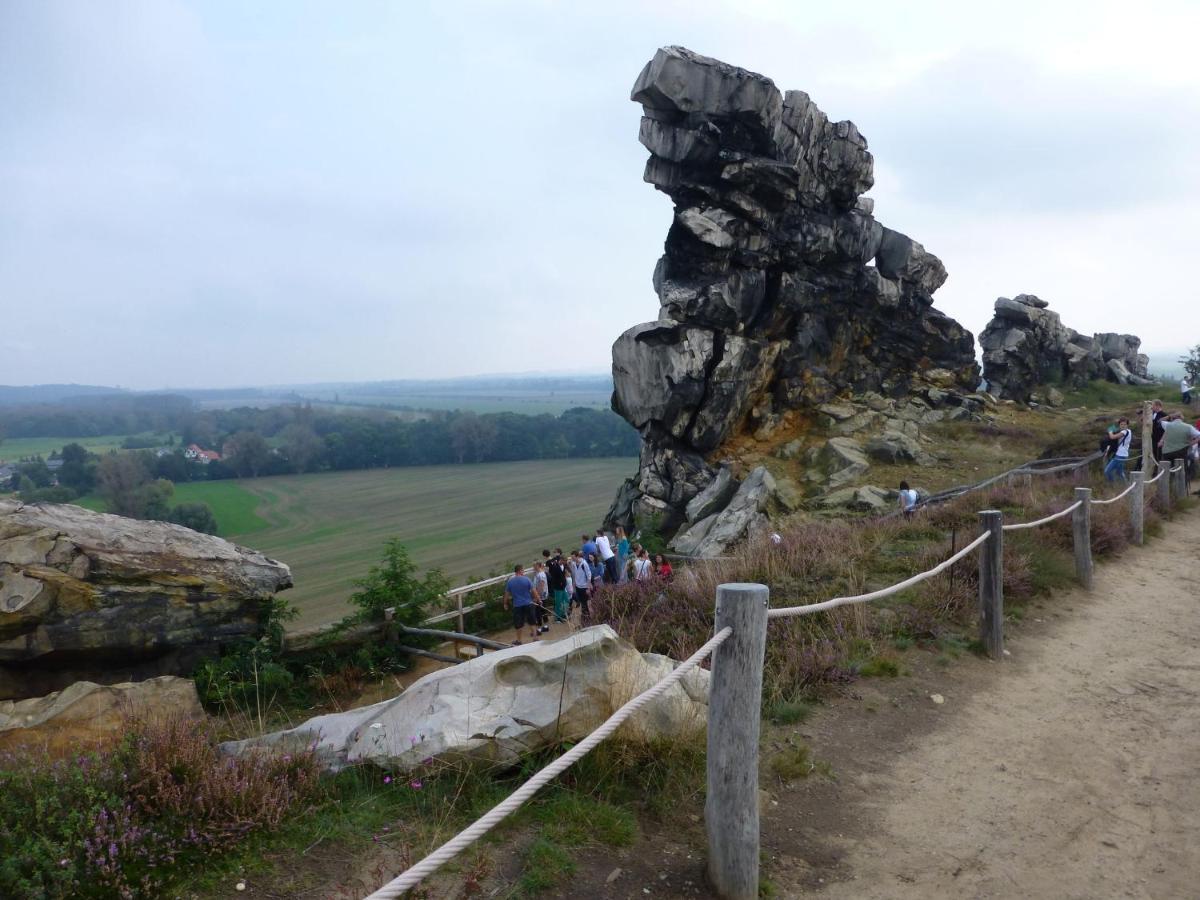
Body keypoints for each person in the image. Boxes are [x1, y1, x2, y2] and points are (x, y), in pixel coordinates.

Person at [1159, 412, 1200, 488]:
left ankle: (1167, 487)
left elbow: (1160, 420)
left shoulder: (1167, 425)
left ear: (1172, 418)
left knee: (1166, 471)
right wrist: (1191, 443)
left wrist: (1169, 416)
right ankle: (1182, 487)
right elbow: (1199, 435)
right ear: (1182, 419)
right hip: (1181, 452)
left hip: (1167, 452)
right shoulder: (1188, 427)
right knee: (1182, 470)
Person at [503, 564, 539, 645]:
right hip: (528, 603)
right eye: (523, 570)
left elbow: (506, 594)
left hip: (517, 605)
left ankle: (519, 640)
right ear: (519, 571)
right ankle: (535, 637)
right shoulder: (527, 579)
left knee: (518, 624)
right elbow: (533, 591)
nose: (524, 572)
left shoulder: (510, 582)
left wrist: (505, 603)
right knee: (532, 621)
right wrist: (538, 599)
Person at [1103, 417, 1132, 483]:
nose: (1123, 426)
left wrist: (1110, 431)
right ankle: (1126, 486)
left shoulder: (1124, 432)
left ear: (1127, 425)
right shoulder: (1129, 431)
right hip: (1122, 454)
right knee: (1119, 472)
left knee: (1107, 471)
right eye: (1121, 424)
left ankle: (1112, 485)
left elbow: (1112, 437)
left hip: (1120, 455)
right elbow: (1117, 429)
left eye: (1125, 424)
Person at [546, 548, 570, 624]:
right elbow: (553, 577)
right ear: (561, 560)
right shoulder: (555, 567)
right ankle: (557, 618)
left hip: (562, 587)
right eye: (565, 561)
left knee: (566, 600)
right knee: (558, 602)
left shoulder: (563, 566)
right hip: (557, 588)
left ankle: (563, 614)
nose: (566, 562)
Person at [569, 550, 592, 623]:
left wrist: (588, 587)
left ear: (577, 556)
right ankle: (585, 617)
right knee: (582, 602)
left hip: (584, 586)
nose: (572, 559)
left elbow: (589, 575)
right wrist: (574, 584)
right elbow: (575, 575)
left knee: (584, 602)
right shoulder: (574, 564)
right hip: (578, 586)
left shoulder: (584, 564)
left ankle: (586, 617)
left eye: (573, 557)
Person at [531, 560, 550, 635]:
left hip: (541, 596)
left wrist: (537, 596)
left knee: (539, 611)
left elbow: (541, 586)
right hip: (541, 595)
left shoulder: (540, 574)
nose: (533, 567)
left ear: (538, 566)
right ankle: (545, 626)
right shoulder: (538, 574)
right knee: (542, 611)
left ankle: (541, 627)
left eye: (534, 566)